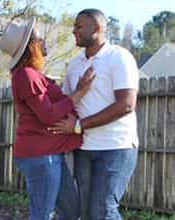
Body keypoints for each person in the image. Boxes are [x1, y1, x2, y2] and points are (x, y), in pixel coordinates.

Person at [0, 17, 95, 220]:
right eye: (40, 37)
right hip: (41, 157)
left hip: (51, 155)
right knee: (42, 215)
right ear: (32, 45)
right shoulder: (25, 76)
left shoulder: (32, 75)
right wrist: (80, 92)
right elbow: (47, 114)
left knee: (71, 210)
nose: (44, 39)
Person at [49, 8, 139, 220]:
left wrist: (79, 125)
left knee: (104, 210)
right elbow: (68, 103)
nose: (74, 31)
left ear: (97, 28)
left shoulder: (119, 57)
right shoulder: (74, 65)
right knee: (88, 214)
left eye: (79, 26)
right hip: (84, 148)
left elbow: (126, 104)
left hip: (116, 147)